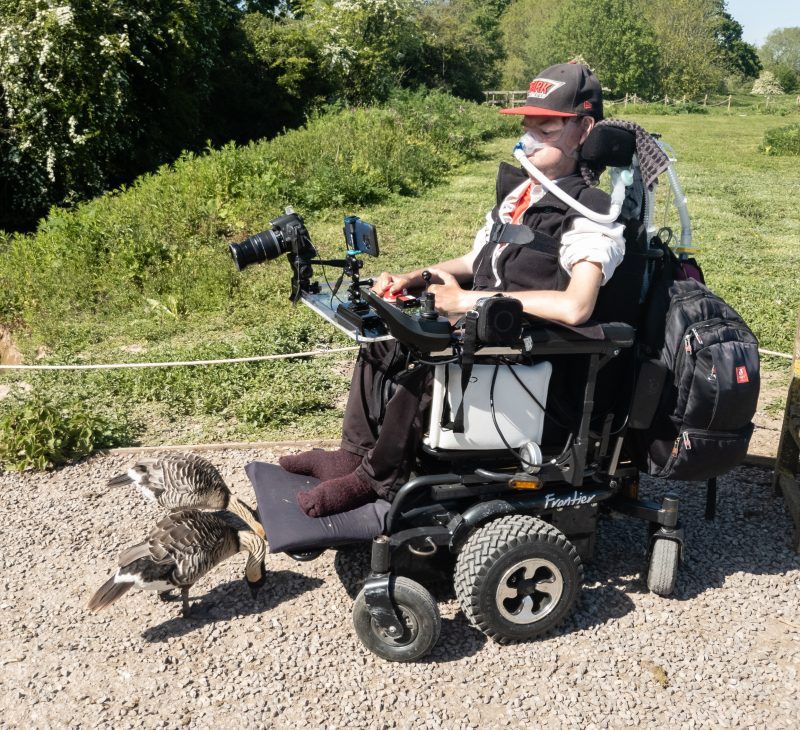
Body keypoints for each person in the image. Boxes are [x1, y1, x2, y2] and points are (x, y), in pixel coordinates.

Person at [281, 63, 626, 517]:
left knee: (430, 356)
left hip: (531, 352)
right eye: (528, 127)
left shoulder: (592, 214)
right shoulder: (521, 194)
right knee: (383, 334)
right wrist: (415, 277)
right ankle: (353, 454)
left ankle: (377, 480)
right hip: (484, 329)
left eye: (547, 128)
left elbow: (578, 306)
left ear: (584, 131)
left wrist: (465, 301)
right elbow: (473, 261)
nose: (531, 138)